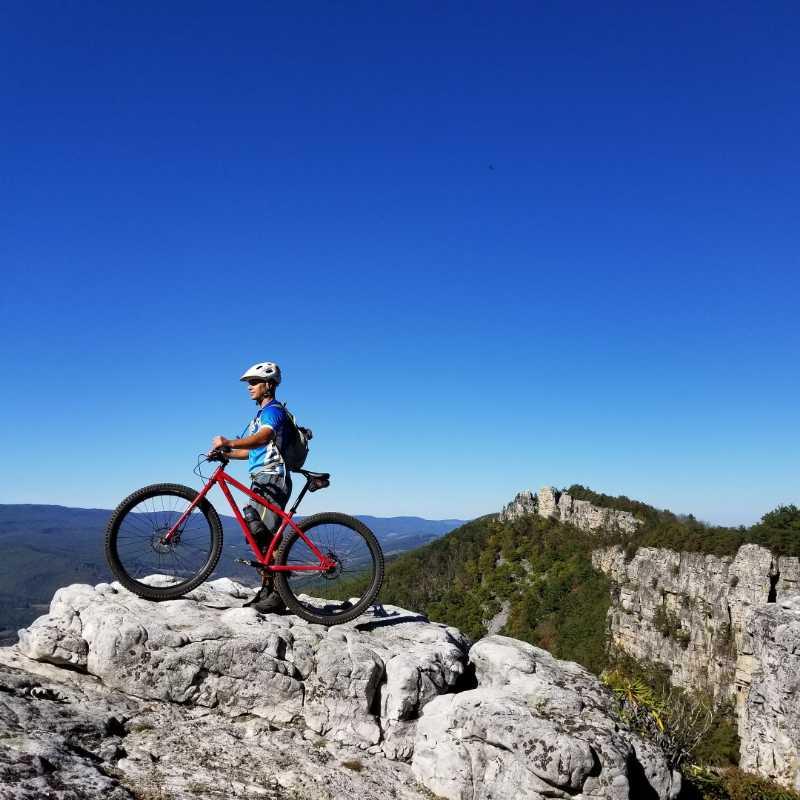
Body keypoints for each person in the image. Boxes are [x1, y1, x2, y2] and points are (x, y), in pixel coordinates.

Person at [210, 361, 291, 613]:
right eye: (249, 383)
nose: (249, 387)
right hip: (261, 478)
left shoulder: (273, 411)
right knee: (259, 537)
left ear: (269, 385)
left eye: (254, 382)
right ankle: (267, 589)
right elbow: (250, 452)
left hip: (272, 479)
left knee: (267, 535)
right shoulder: (259, 415)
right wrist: (226, 452)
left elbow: (264, 437)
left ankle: (279, 595)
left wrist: (229, 441)